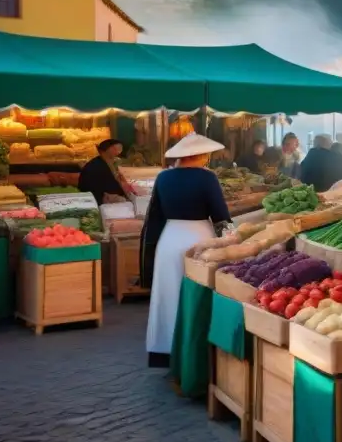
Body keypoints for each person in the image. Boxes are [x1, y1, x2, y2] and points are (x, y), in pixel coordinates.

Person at [140, 134, 231, 369]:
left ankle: (166, 350)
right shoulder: (207, 178)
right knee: (198, 294)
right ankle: (194, 353)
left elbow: (155, 217)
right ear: (199, 155)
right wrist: (231, 239)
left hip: (169, 239)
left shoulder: (163, 177)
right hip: (199, 238)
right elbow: (220, 214)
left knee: (168, 295)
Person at [78, 138, 128, 204]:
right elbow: (113, 189)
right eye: (115, 149)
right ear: (107, 150)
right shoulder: (98, 166)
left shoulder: (101, 161)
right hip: (94, 199)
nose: (118, 152)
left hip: (95, 195)